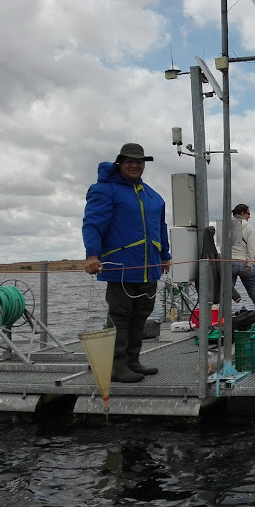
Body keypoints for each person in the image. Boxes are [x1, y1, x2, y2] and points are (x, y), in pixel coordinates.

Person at [82, 143, 171, 383]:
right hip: (121, 266)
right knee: (120, 316)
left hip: (150, 266)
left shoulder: (152, 195)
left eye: (139, 161)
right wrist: (92, 254)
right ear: (119, 163)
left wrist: (165, 256)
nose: (135, 165)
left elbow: (160, 228)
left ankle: (133, 361)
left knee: (141, 314)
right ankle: (115, 366)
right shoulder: (104, 190)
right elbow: (92, 223)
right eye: (129, 161)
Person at [231, 203, 255, 310]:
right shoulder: (249, 227)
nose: (249, 216)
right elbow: (251, 248)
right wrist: (250, 262)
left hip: (229, 262)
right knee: (254, 292)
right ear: (242, 213)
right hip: (244, 262)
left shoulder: (226, 225)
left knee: (227, 292)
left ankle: (222, 317)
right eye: (248, 213)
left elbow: (222, 245)